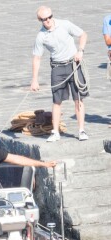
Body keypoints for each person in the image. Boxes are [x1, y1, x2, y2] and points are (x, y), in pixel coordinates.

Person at [31, 6, 89, 142]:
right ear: (40, 20)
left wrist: (80, 50)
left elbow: (83, 35)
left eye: (50, 17)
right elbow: (37, 58)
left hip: (73, 65)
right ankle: (55, 132)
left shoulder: (65, 24)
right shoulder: (41, 36)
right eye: (44, 19)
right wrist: (34, 79)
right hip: (57, 68)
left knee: (78, 98)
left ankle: (81, 130)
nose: (48, 20)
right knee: (56, 101)